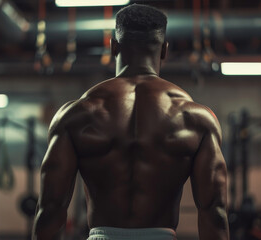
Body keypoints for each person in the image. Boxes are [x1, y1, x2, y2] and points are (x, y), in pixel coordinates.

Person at [32, 4, 229, 240]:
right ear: (164, 50)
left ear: (114, 46)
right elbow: (214, 212)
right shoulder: (197, 119)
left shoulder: (76, 115)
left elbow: (50, 209)